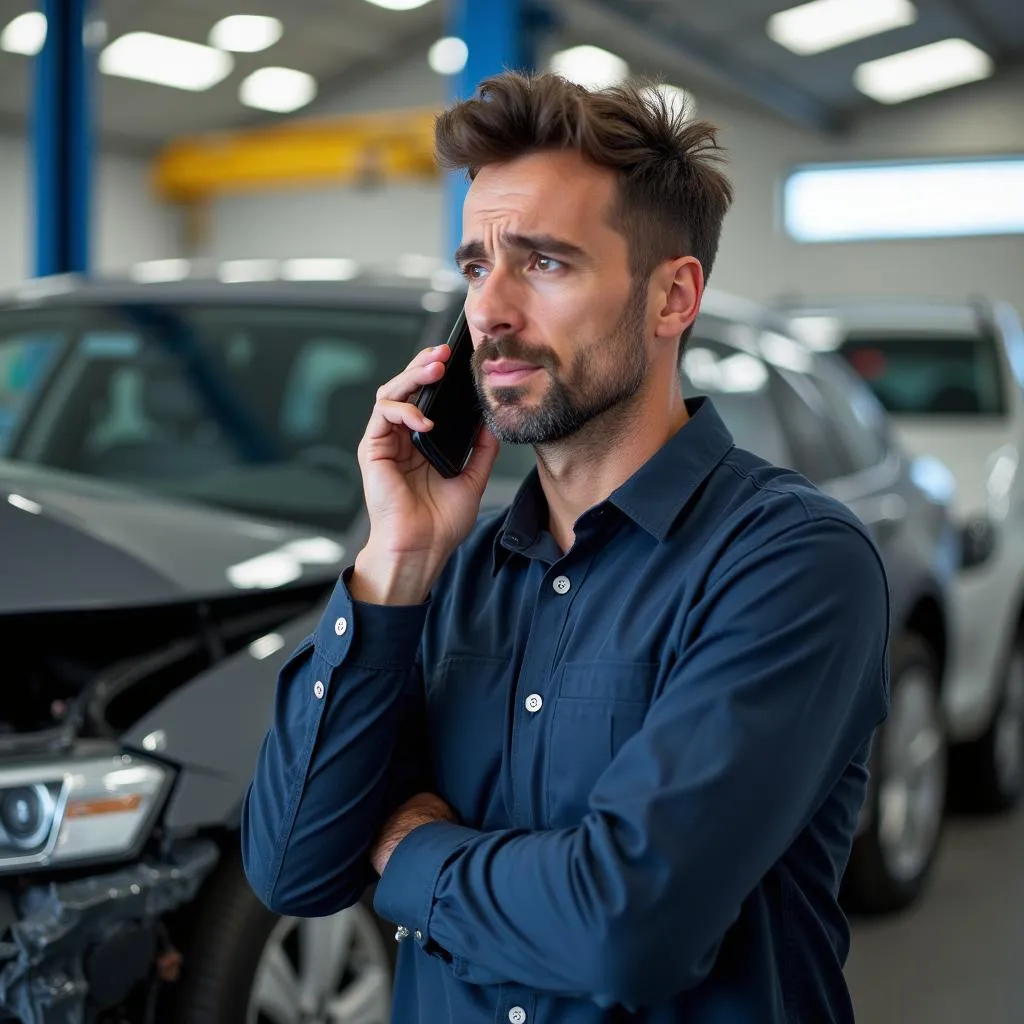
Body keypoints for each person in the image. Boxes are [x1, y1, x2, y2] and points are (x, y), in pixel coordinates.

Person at [241, 70, 890, 1023]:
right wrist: (396, 564)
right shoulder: (449, 573)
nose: (490, 314)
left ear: (673, 297)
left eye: (543, 263)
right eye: (475, 268)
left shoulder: (790, 565)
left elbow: (625, 930)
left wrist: (409, 847)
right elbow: (293, 865)